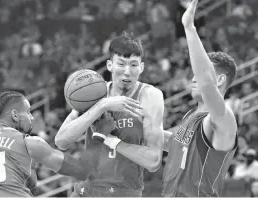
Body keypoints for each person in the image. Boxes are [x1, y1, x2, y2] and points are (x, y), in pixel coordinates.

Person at [55, 32, 165, 197]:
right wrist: (102, 105)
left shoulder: (150, 96)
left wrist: (110, 140)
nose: (127, 71)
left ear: (141, 67)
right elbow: (61, 141)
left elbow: (153, 161)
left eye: (133, 65)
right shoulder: (93, 93)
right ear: (109, 65)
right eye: (121, 64)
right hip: (86, 190)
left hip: (123, 193)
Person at [0, 91, 92, 197]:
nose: (32, 117)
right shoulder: (30, 143)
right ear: (15, 115)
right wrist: (77, 115)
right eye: (28, 112)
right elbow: (79, 170)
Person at [162, 0, 238, 197]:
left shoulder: (222, 118)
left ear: (220, 79)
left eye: (200, 71)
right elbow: (174, 144)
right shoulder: (191, 115)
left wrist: (189, 28)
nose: (194, 76)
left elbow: (206, 82)